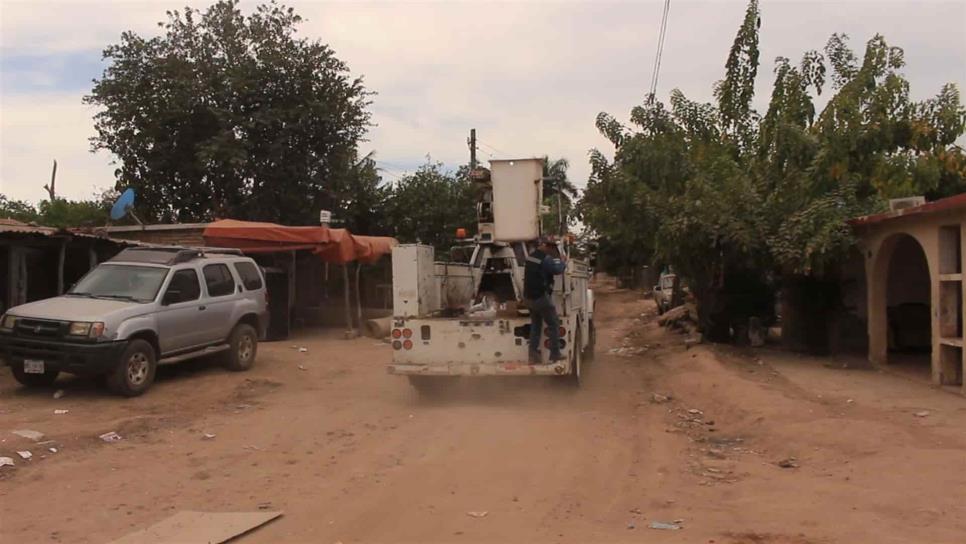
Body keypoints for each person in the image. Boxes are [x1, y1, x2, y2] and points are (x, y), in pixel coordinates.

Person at [524, 237, 567, 364]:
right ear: (547, 246)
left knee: (536, 326)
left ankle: (532, 355)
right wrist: (563, 262)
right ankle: (555, 353)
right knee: (554, 324)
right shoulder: (546, 259)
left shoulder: (531, 257)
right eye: (552, 248)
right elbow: (557, 270)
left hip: (529, 298)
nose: (552, 251)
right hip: (541, 298)